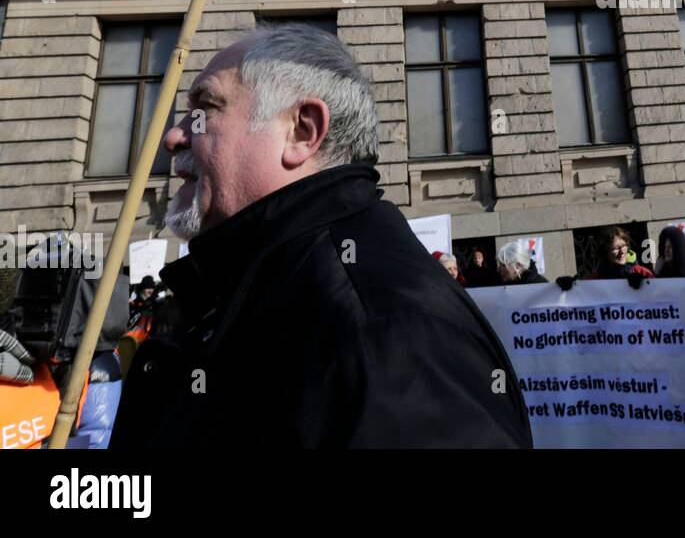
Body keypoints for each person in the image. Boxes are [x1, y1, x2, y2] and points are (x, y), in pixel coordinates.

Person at [110, 24, 531, 449]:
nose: (174, 136)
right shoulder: (255, 289)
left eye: (206, 108)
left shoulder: (383, 328)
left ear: (302, 132)